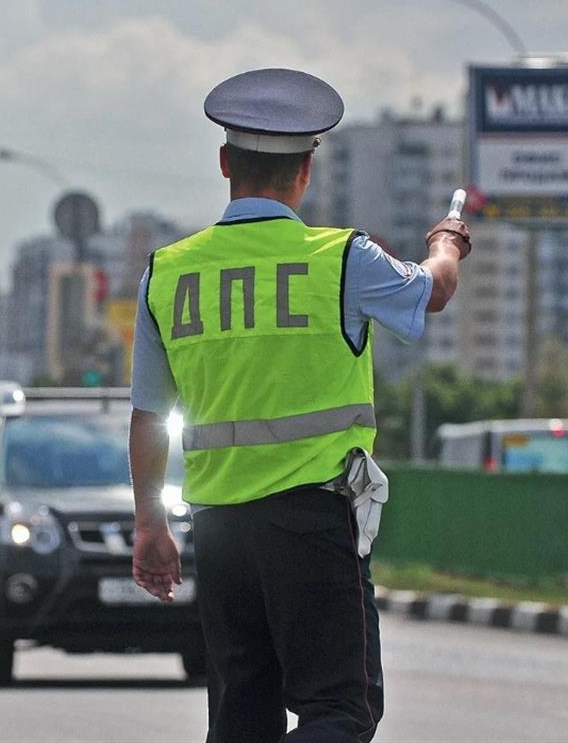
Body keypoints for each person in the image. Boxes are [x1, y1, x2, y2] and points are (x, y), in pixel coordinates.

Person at [128, 68, 470, 743]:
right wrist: (445, 244)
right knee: (339, 711)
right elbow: (430, 293)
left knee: (240, 716)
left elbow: (146, 415)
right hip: (311, 522)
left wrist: (149, 526)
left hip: (218, 528)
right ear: (307, 170)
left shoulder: (167, 272)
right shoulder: (341, 257)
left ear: (224, 163)